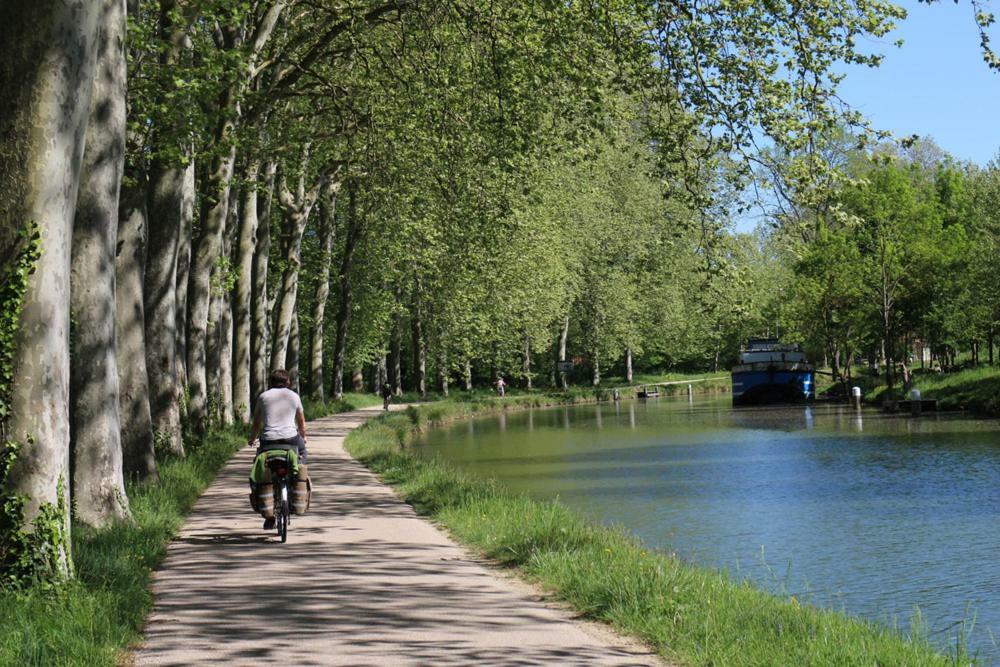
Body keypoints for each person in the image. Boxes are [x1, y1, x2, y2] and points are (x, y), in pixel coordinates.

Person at [248, 369, 308, 529]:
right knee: (302, 454)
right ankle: (296, 483)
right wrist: (304, 437)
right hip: (291, 439)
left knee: (260, 464)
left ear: (271, 382)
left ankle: (268, 514)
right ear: (287, 382)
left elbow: (256, 423)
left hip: (268, 441)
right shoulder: (294, 396)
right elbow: (301, 422)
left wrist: (252, 439)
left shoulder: (263, 396)